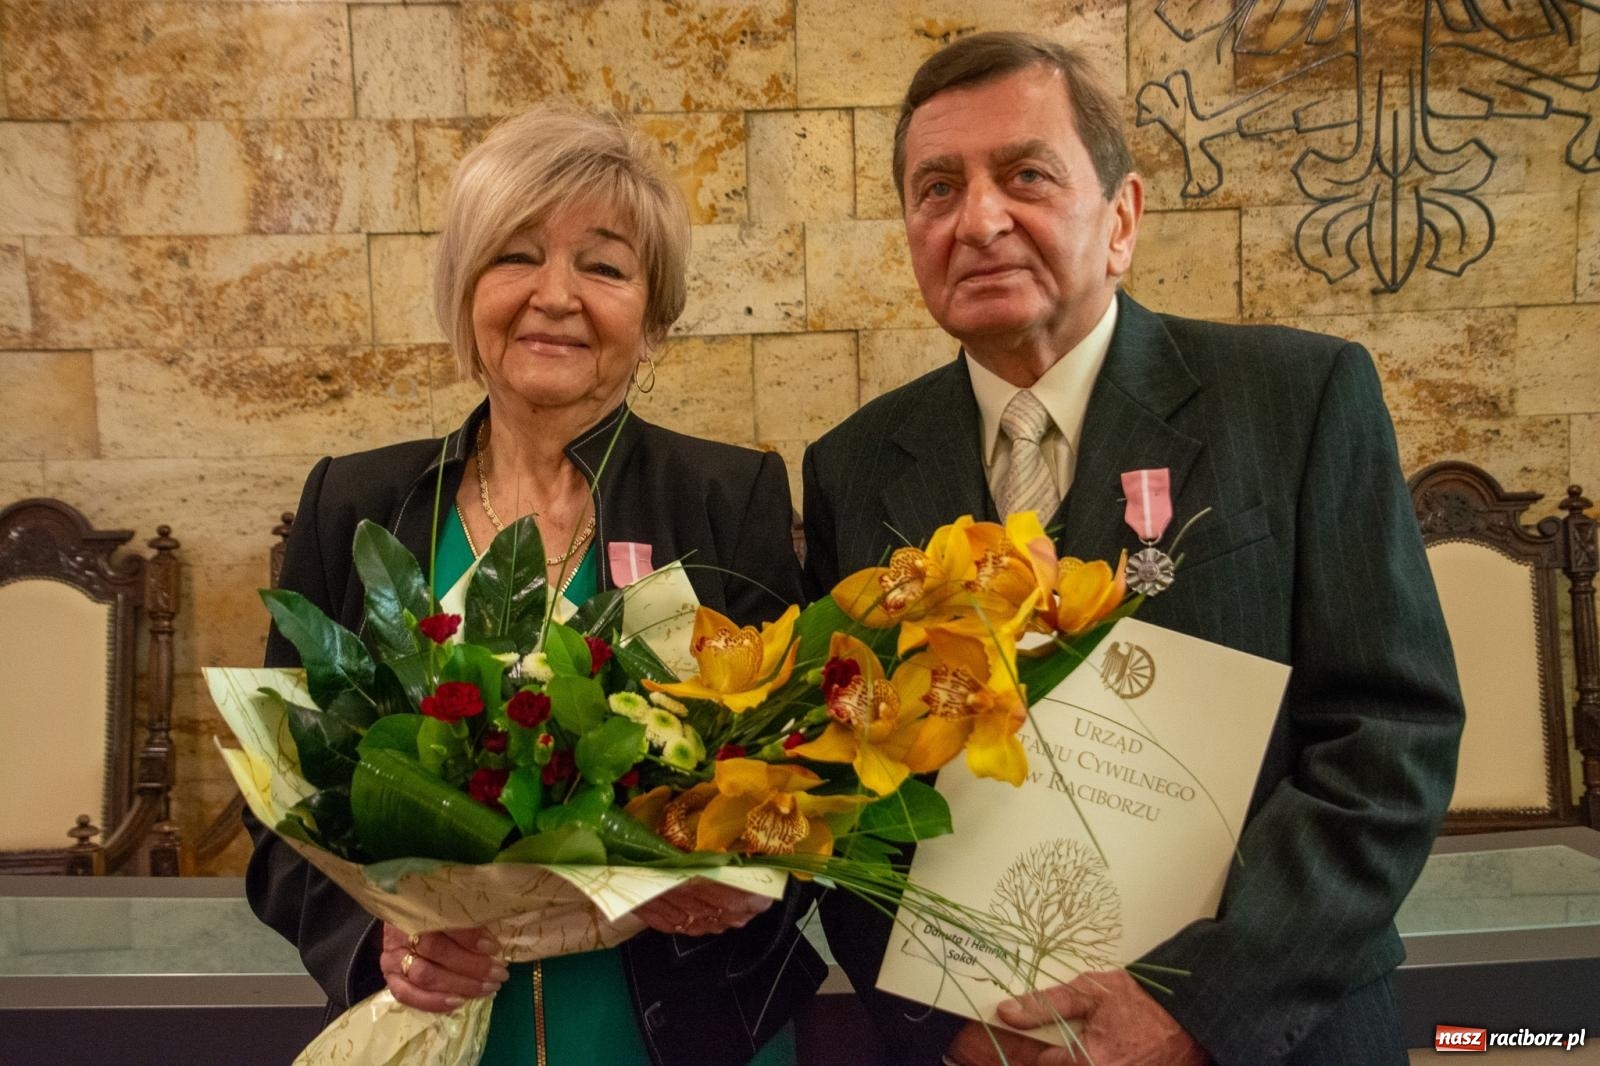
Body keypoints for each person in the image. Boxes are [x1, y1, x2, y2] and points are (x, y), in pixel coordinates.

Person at [801, 31, 1464, 1066]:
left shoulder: (1296, 402)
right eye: (936, 188)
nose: (977, 218)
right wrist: (946, 1024)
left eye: (1025, 174)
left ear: (1121, 219)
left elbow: (1388, 738)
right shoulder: (852, 467)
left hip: (1268, 1036)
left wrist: (1193, 1009)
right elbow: (842, 785)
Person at [247, 102, 824, 1066]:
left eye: (603, 266)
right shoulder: (355, 504)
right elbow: (275, 821)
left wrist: (744, 875)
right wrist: (376, 941)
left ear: (655, 317)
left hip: (674, 1027)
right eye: (515, 255)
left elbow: (811, 777)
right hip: (439, 1024)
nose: (555, 295)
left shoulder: (731, 498)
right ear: (464, 290)